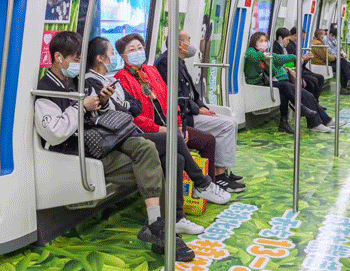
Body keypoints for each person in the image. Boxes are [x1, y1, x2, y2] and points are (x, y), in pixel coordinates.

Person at [34, 31, 195, 261]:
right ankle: (163, 228)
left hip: (99, 142)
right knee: (155, 158)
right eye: (76, 59)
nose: (80, 65)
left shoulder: (73, 83)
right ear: (58, 57)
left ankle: (158, 226)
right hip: (77, 153)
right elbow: (55, 132)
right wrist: (82, 107)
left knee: (150, 152)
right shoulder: (46, 90)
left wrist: (101, 101)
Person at [86, 36, 207, 235]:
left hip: (132, 129)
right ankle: (201, 184)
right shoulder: (101, 81)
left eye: (140, 47)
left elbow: (138, 105)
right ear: (102, 58)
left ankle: (177, 216)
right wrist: (132, 111)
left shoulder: (135, 75)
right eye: (113, 53)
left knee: (176, 158)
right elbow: (124, 110)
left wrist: (176, 121)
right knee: (173, 140)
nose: (138, 52)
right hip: (121, 135)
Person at [113, 33, 232, 206]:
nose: (137, 52)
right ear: (123, 56)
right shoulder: (121, 78)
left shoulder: (152, 71)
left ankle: (208, 188)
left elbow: (169, 98)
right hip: (149, 131)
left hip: (168, 126)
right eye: (132, 50)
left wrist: (178, 124)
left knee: (207, 140)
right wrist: (159, 129)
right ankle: (196, 192)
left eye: (139, 48)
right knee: (177, 157)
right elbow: (133, 116)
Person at [155, 30, 246, 193]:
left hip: (190, 111)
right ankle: (219, 176)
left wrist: (202, 107)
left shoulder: (178, 62)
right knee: (227, 125)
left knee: (230, 120)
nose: (191, 44)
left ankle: (222, 170)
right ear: (179, 44)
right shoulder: (166, 63)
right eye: (188, 40)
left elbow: (191, 93)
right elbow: (176, 96)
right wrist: (197, 110)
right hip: (184, 116)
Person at [244, 31, 332, 134]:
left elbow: (277, 65)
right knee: (288, 87)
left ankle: (291, 121)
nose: (264, 43)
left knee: (305, 94)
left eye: (265, 41)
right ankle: (307, 115)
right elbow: (252, 56)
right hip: (257, 84)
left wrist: (271, 64)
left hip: (270, 81)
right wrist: (265, 57)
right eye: (261, 41)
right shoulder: (253, 52)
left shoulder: (267, 54)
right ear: (254, 42)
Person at [279, 27, 325, 98]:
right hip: (296, 70)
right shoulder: (288, 46)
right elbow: (291, 63)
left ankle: (314, 101)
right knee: (313, 81)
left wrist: (305, 59)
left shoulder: (295, 45)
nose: (302, 40)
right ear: (295, 36)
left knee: (319, 78)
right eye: (302, 38)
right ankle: (311, 101)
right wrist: (302, 60)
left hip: (300, 68)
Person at [312, 28, 350, 94]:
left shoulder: (320, 43)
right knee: (343, 64)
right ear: (319, 35)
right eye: (324, 35)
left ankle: (347, 84)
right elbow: (326, 56)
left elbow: (328, 53)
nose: (325, 36)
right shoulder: (317, 44)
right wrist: (335, 57)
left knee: (346, 64)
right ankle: (348, 83)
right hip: (323, 63)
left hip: (325, 61)